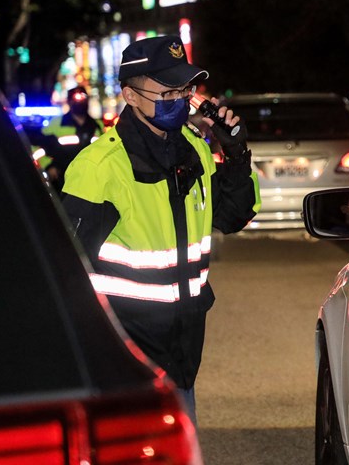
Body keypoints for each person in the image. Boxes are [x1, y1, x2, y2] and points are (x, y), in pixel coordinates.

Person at [61, 35, 260, 425]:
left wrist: (235, 154)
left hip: (185, 347)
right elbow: (66, 269)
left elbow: (233, 216)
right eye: (166, 92)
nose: (179, 99)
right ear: (130, 96)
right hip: (126, 356)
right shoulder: (100, 166)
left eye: (184, 90)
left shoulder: (196, 149)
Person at [33, 86, 104, 193]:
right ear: (69, 102)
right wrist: (48, 166)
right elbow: (37, 149)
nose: (80, 102)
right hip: (62, 181)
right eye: (76, 99)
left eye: (83, 98)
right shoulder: (56, 123)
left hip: (90, 182)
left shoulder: (97, 125)